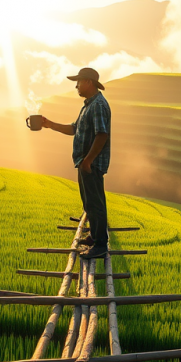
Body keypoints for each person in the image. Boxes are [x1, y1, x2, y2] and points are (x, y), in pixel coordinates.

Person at [41, 67, 111, 258]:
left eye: (78, 82)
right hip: (85, 162)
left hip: (91, 163)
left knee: (95, 203)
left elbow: (102, 134)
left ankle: (100, 245)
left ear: (88, 82)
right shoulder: (89, 105)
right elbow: (75, 128)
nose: (76, 86)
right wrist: (49, 124)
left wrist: (88, 160)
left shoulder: (97, 105)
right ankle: (96, 238)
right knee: (89, 202)